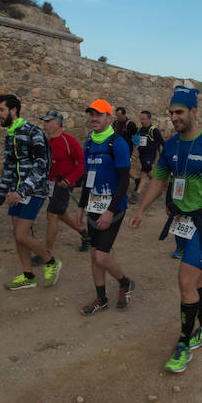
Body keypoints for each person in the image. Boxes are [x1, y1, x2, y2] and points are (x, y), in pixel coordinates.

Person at [129, 85, 202, 374]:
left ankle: (183, 342)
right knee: (196, 276)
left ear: (194, 112)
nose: (174, 117)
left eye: (179, 112)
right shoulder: (171, 145)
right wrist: (142, 208)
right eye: (171, 113)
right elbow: (158, 179)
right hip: (183, 222)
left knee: (184, 280)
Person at [0, 94, 62, 290]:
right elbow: (8, 169)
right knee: (17, 233)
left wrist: (22, 191)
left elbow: (41, 164)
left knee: (21, 234)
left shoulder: (33, 131)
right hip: (16, 193)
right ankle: (28, 275)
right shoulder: (10, 135)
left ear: (13, 110)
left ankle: (50, 262)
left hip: (34, 191)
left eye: (1, 110)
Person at [75, 99, 136, 314]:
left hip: (114, 208)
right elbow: (88, 178)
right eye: (91, 114)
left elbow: (124, 181)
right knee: (94, 255)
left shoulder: (117, 143)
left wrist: (110, 211)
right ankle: (101, 300)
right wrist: (81, 208)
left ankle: (125, 282)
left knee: (101, 256)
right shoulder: (90, 142)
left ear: (108, 118)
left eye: (98, 114)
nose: (94, 118)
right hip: (93, 205)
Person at [37, 110, 89, 262]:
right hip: (50, 184)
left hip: (64, 184)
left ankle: (46, 254)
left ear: (57, 124)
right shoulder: (45, 141)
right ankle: (86, 234)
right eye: (44, 122)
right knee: (61, 213)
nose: (44, 125)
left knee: (52, 214)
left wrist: (69, 180)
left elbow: (82, 164)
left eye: (47, 122)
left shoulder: (68, 140)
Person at [133, 110, 165, 201]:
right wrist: (135, 140)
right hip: (142, 156)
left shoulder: (154, 130)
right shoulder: (140, 130)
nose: (142, 121)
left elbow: (163, 143)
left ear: (149, 119)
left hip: (150, 155)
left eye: (144, 119)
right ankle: (159, 187)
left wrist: (166, 155)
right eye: (141, 119)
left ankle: (137, 193)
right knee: (148, 172)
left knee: (144, 172)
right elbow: (136, 141)